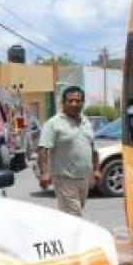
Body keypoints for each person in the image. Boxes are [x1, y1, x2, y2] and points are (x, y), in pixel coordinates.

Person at [37, 86, 99, 217]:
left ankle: (65, 235)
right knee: (74, 215)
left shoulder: (86, 122)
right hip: (64, 178)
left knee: (72, 215)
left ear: (83, 102)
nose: (74, 104)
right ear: (63, 103)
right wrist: (44, 173)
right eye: (70, 101)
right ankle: (76, 238)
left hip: (83, 178)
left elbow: (93, 148)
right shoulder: (53, 123)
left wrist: (96, 170)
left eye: (77, 101)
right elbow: (43, 148)